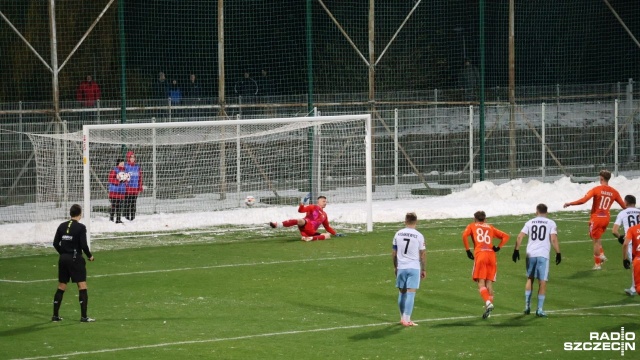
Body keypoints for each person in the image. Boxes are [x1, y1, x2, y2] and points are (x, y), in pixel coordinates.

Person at [563, 169, 625, 270]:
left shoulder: (596, 189)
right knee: (594, 236)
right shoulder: (614, 192)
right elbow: (623, 206)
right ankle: (602, 254)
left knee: (595, 240)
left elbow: (583, 200)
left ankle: (597, 264)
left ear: (601, 178)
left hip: (597, 218)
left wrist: (570, 203)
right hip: (606, 218)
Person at [512, 203, 562, 317]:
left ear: (536, 212)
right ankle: (539, 309)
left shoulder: (530, 222)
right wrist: (558, 253)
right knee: (542, 281)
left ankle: (527, 306)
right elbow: (553, 239)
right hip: (543, 255)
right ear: (547, 212)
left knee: (530, 278)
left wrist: (516, 250)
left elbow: (520, 236)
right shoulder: (551, 223)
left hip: (531, 254)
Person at [462, 210, 510, 319]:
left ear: (475, 219)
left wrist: (467, 250)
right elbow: (506, 236)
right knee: (489, 283)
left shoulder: (472, 226)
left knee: (480, 282)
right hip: (491, 256)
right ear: (485, 219)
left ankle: (488, 302)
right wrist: (498, 247)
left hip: (481, 255)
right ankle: (488, 310)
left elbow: (464, 235)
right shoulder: (490, 227)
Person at [51, 204, 95, 323]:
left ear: (70, 213)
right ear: (80, 214)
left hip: (63, 259)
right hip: (75, 259)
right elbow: (84, 245)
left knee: (61, 286)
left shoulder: (62, 226)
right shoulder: (80, 227)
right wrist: (90, 256)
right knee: (82, 286)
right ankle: (84, 317)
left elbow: (55, 243)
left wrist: (64, 253)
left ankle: (55, 316)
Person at [392, 212, 426, 327]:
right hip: (414, 267)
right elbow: (422, 254)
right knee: (411, 293)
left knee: (402, 293)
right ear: (416, 222)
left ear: (405, 221)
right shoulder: (419, 235)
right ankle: (407, 319)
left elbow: (394, 253)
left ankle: (402, 318)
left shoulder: (398, 234)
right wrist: (424, 269)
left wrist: (395, 266)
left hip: (401, 267)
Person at [269, 195, 341, 241]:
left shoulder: (324, 215)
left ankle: (310, 238)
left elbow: (327, 227)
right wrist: (303, 203)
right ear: (318, 202)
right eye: (323, 201)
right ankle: (277, 224)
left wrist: (335, 233)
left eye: (326, 201)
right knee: (300, 220)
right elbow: (301, 211)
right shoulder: (313, 207)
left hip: (311, 231)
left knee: (328, 236)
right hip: (306, 223)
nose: (325, 203)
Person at [612, 194, 640, 296]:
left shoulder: (623, 213)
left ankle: (634, 288)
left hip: (631, 241)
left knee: (635, 264)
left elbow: (614, 231)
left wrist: (620, 237)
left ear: (626, 203)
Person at [123, 151, 143, 221]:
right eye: (131, 157)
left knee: (133, 203)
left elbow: (140, 177)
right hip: (128, 189)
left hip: (135, 188)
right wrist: (125, 184)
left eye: (133, 157)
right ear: (128, 158)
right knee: (127, 203)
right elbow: (123, 176)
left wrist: (140, 186)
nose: (132, 158)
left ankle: (133, 217)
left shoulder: (137, 167)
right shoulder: (125, 166)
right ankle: (126, 217)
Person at [621, 222, 640, 296]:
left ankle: (633, 289)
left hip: (638, 259)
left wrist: (625, 259)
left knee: (638, 287)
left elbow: (625, 244)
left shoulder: (632, 229)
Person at [108, 159, 127, 224]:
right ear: (118, 163)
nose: (122, 164)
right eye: (121, 163)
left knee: (119, 205)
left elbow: (126, 180)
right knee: (114, 205)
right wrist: (118, 181)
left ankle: (118, 219)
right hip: (114, 191)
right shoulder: (114, 170)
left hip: (121, 191)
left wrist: (125, 181)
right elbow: (110, 179)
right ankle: (111, 218)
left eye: (123, 163)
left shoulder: (124, 171)